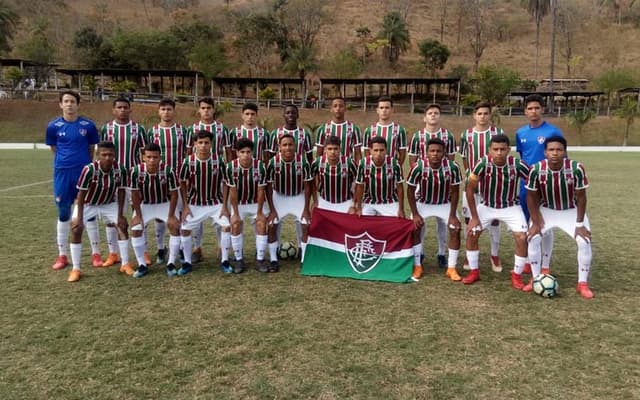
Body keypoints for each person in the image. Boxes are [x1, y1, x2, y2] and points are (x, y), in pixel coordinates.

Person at [525, 136, 594, 299]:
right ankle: (536, 278)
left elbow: (582, 197)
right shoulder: (536, 169)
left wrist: (579, 223)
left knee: (584, 241)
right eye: (551, 150)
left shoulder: (576, 168)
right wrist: (535, 221)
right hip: (546, 209)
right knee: (533, 238)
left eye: (558, 150)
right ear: (545, 152)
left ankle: (582, 283)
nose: (555, 153)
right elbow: (531, 196)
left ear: (564, 152)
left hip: (570, 210)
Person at [462, 135, 529, 288]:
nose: (499, 153)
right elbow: (470, 189)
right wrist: (474, 217)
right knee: (472, 233)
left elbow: (533, 184)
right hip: (487, 206)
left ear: (508, 150)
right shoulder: (483, 163)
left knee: (521, 237)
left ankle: (517, 275)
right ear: (489, 150)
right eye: (495, 149)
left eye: (502, 149)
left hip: (511, 206)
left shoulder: (518, 164)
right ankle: (474, 271)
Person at [45, 90, 100, 271]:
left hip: (83, 173)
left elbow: (92, 148)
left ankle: (96, 253)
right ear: (61, 104)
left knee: (89, 213)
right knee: (64, 213)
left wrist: (86, 166)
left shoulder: (88, 125)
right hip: (62, 174)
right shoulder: (53, 126)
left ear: (78, 104)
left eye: (72, 101)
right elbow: (54, 148)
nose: (69, 104)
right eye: (66, 101)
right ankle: (62, 255)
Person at [66, 142, 130, 282]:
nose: (107, 157)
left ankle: (125, 264)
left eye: (110, 155)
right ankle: (76, 268)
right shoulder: (89, 170)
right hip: (88, 204)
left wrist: (120, 215)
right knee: (76, 229)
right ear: (97, 155)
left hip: (108, 203)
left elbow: (121, 191)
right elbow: (81, 194)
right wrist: (79, 218)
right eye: (104, 154)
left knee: (123, 226)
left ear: (115, 155)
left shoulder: (120, 169)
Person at [516, 94, 564, 274]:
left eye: (536, 108)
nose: (533, 111)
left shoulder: (553, 132)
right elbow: (523, 157)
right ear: (525, 111)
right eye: (530, 108)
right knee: (529, 221)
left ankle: (545, 264)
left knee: (544, 222)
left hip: (546, 183)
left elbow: (561, 157)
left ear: (542, 110)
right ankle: (529, 259)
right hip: (526, 184)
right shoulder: (521, 133)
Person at [100, 97, 148, 268]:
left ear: (130, 109)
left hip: (133, 178)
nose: (122, 110)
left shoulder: (139, 129)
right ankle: (113, 253)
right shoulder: (107, 128)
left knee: (139, 212)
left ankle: (144, 251)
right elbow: (101, 152)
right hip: (113, 178)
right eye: (119, 107)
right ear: (114, 110)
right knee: (111, 216)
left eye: (125, 107)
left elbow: (144, 154)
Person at [408, 103, 457, 269]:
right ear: (425, 117)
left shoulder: (448, 135)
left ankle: (442, 253)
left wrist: (446, 181)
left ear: (439, 116)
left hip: (442, 183)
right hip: (423, 182)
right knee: (419, 223)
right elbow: (412, 160)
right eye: (430, 113)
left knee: (443, 223)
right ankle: (419, 253)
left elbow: (450, 159)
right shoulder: (417, 136)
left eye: (436, 113)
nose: (433, 115)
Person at [406, 138, 462, 282]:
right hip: (423, 202)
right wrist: (416, 214)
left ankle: (451, 268)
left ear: (444, 153)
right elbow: (410, 191)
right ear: (426, 153)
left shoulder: (453, 167)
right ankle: (417, 265)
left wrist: (452, 215)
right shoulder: (418, 167)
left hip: (444, 203)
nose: (435, 154)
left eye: (438, 151)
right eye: (432, 151)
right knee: (415, 227)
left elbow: (455, 191)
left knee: (455, 228)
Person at [459, 101, 505, 272]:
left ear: (490, 115)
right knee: (468, 219)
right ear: (474, 115)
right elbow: (464, 157)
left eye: (486, 113)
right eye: (480, 113)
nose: (483, 116)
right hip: (472, 183)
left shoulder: (497, 132)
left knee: (494, 220)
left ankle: (494, 254)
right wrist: (470, 173)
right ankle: (469, 251)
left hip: (492, 184)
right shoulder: (467, 135)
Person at [178, 130, 231, 276]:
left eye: (206, 142)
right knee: (184, 229)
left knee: (227, 226)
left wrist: (225, 206)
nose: (203, 146)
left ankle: (225, 261)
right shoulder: (188, 161)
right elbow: (182, 182)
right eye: (200, 143)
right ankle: (187, 262)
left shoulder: (219, 160)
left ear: (211, 144)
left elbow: (226, 183)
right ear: (195, 144)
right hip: (195, 203)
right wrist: (186, 206)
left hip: (216, 203)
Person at [128, 143, 181, 278]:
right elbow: (134, 193)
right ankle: (142, 265)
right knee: (136, 228)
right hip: (145, 205)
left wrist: (171, 216)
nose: (152, 160)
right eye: (149, 157)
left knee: (174, 226)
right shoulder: (136, 171)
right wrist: (138, 215)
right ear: (143, 158)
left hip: (164, 203)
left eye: (155, 157)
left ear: (160, 157)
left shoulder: (169, 170)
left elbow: (174, 194)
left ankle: (171, 263)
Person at [187, 97, 229, 264]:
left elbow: (229, 151)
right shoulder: (192, 129)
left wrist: (229, 170)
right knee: (196, 211)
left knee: (219, 211)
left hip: (216, 173)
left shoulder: (222, 129)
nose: (206, 111)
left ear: (213, 110)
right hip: (196, 174)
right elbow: (188, 153)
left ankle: (221, 247)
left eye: (209, 108)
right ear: (199, 110)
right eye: (203, 108)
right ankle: (197, 248)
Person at [147, 98, 189, 264]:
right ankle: (160, 248)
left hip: (178, 178)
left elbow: (187, 153)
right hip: (158, 179)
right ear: (159, 111)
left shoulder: (181, 131)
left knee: (178, 213)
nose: (166, 112)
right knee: (159, 215)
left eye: (169, 109)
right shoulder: (152, 132)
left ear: (174, 111)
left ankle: (177, 246)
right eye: (163, 109)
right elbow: (146, 155)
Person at [265, 133, 313, 272]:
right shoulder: (273, 162)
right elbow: (268, 186)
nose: (288, 147)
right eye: (284, 145)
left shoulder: (303, 162)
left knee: (305, 224)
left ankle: (304, 258)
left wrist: (306, 208)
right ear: (279, 147)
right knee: (272, 224)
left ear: (295, 146)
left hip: (298, 196)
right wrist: (272, 209)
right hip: (279, 196)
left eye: (290, 144)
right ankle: (274, 259)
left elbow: (308, 185)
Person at [226, 138, 269, 273]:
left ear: (252, 152)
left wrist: (260, 212)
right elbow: (232, 192)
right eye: (242, 152)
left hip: (256, 203)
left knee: (262, 222)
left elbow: (261, 190)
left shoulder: (260, 166)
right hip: (239, 204)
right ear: (237, 153)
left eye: (248, 152)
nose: (245, 155)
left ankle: (260, 259)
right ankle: (239, 259)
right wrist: (236, 213)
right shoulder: (231, 167)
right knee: (235, 223)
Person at [351, 136, 405, 219]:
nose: (378, 153)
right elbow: (360, 187)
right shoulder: (363, 164)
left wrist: (401, 209)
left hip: (390, 201)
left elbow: (400, 187)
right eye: (376, 150)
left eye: (381, 150)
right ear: (370, 151)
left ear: (386, 150)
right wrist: (359, 207)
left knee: (397, 221)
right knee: (362, 221)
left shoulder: (394, 164)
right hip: (369, 201)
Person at [311, 135, 358, 214]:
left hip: (346, 201)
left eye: (335, 149)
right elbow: (311, 182)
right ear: (325, 149)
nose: (333, 152)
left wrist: (353, 204)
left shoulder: (350, 163)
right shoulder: (317, 162)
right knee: (311, 219)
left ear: (340, 149)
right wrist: (315, 200)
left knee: (353, 220)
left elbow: (358, 184)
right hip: (324, 200)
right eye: (330, 149)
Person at [315, 97, 362, 164]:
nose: (338, 108)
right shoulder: (322, 129)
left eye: (341, 106)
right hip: (327, 169)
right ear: (331, 109)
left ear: (345, 109)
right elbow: (319, 153)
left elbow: (358, 153)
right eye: (335, 106)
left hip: (347, 168)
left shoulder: (354, 128)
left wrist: (358, 170)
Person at [362, 96, 408, 165]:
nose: (384, 110)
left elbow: (402, 153)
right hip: (374, 170)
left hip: (392, 169)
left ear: (392, 110)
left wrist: (397, 167)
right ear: (377, 110)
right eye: (381, 108)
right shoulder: (368, 130)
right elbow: (367, 153)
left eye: (387, 108)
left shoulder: (400, 130)